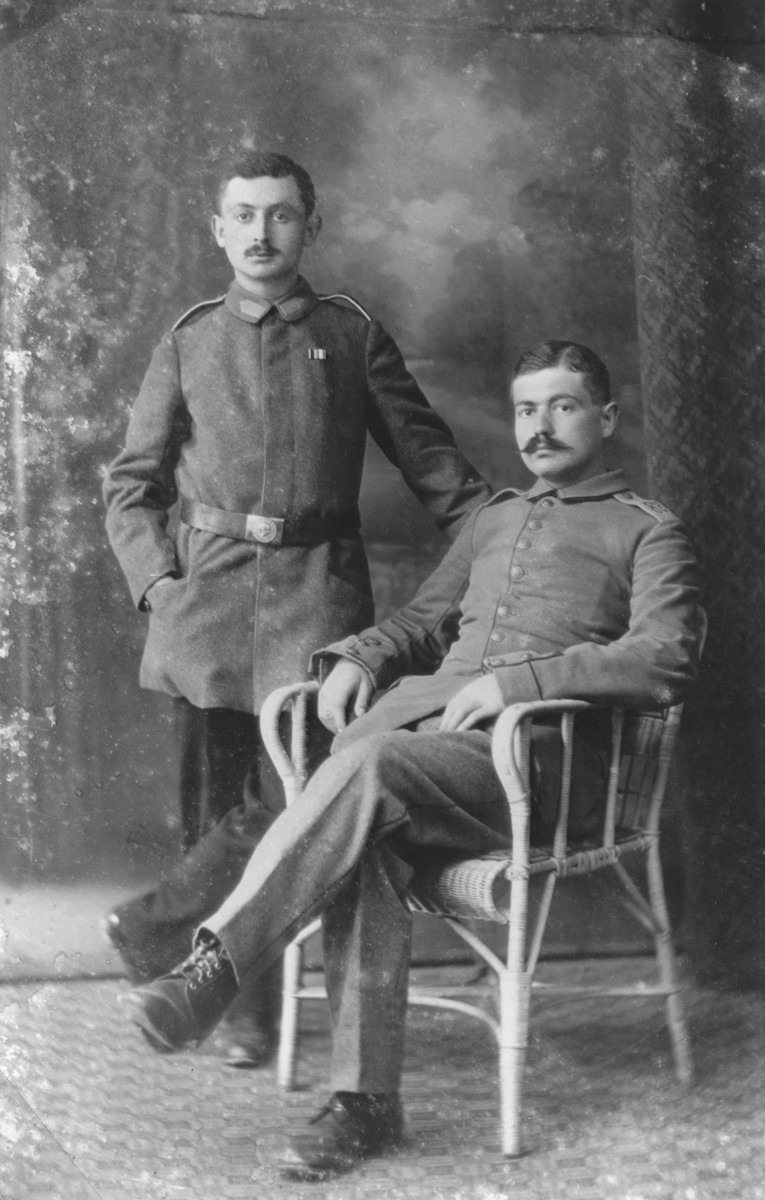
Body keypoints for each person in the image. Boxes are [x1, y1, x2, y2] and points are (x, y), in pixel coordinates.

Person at [121, 341, 701, 1180]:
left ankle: (211, 968)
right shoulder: (495, 519)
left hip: (537, 772)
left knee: (367, 768)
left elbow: (664, 655)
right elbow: (423, 623)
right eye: (526, 409)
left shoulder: (646, 531)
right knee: (367, 829)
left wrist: (519, 684)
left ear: (605, 419)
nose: (539, 426)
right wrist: (357, 657)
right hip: (420, 763)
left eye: (563, 407)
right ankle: (364, 1105)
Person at [102, 150, 491, 1066]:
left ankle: (155, 928)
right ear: (219, 229)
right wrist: (157, 582)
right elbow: (131, 485)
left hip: (317, 605)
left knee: (297, 801)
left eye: (281, 215)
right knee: (212, 813)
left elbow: (434, 467)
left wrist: (507, 532)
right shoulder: (190, 337)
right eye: (244, 215)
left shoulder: (351, 334)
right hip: (201, 606)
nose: (261, 233)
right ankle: (240, 1014)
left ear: (310, 228)